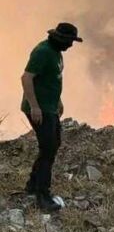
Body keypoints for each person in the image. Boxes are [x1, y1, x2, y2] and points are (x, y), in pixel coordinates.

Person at [20, 23, 83, 212]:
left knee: (53, 144)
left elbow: (51, 79)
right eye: (69, 41)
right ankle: (43, 195)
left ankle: (32, 184)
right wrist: (34, 106)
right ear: (60, 38)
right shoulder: (43, 52)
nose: (70, 46)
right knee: (48, 149)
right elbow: (26, 78)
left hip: (50, 107)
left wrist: (58, 101)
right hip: (39, 109)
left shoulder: (56, 53)